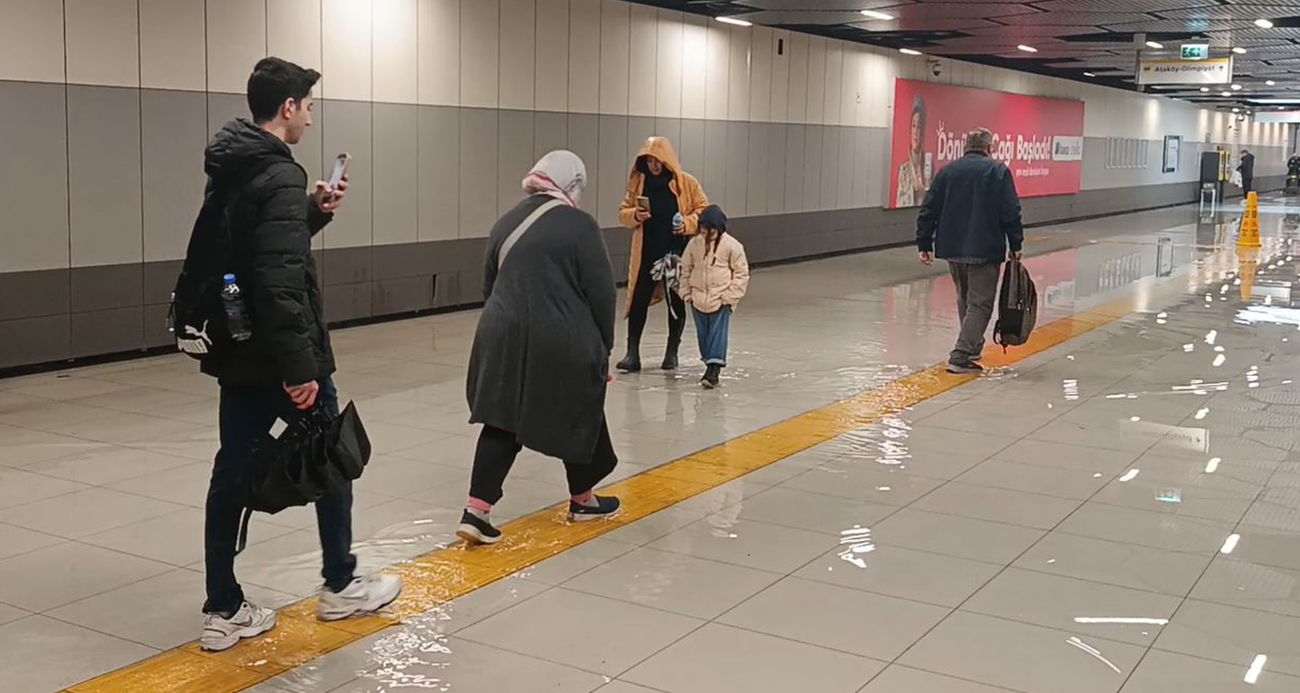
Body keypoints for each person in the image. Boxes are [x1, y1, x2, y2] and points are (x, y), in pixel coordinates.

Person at [197, 57, 401, 652]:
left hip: (238, 350)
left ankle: (222, 606)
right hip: (282, 357)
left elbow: (257, 253)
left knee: (230, 470)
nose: (310, 119)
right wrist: (300, 372)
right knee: (332, 452)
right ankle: (340, 582)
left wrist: (310, 213)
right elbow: (281, 281)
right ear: (287, 107)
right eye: (308, 107)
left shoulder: (233, 167)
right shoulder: (281, 173)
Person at [459, 151, 621, 546]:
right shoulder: (581, 226)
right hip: (559, 336)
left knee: (503, 417)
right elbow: (602, 293)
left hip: (499, 332)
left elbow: (489, 284)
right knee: (580, 406)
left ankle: (475, 512)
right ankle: (582, 500)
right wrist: (603, 348)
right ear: (572, 185)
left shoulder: (506, 221)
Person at [916, 127, 1024, 375]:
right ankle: (961, 355)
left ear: (966, 147)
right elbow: (1011, 211)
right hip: (985, 248)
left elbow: (928, 209)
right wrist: (1016, 244)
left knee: (965, 298)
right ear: (989, 148)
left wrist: (924, 243)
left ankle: (973, 346)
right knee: (981, 304)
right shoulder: (998, 171)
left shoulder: (947, 172)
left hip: (953, 248)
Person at [616, 137, 709, 373]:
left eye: (657, 161)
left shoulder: (686, 183)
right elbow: (623, 212)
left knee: (675, 304)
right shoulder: (639, 184)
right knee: (638, 301)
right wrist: (635, 215)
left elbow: (703, 211)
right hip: (647, 252)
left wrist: (687, 224)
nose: (654, 166)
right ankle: (632, 353)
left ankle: (672, 352)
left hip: (676, 254)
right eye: (649, 161)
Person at [679, 205, 749, 389]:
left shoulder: (732, 246)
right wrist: (686, 292)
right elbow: (685, 268)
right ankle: (709, 363)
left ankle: (713, 370)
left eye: (711, 231)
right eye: (703, 231)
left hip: (720, 300)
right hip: (697, 299)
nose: (707, 235)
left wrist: (729, 296)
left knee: (718, 335)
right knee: (703, 336)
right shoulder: (694, 244)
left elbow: (741, 273)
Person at [895, 95, 929, 208]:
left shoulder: (928, 167)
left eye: (919, 126)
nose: (916, 132)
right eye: (914, 126)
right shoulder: (904, 170)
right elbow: (899, 204)